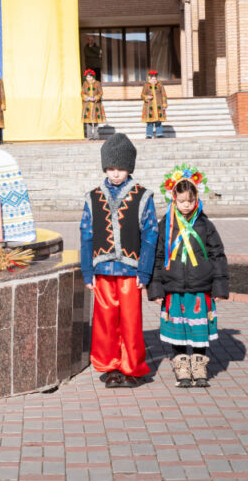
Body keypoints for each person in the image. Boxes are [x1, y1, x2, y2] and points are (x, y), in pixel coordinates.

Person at [80, 133, 158, 388]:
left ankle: (132, 367)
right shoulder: (92, 197)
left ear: (129, 168)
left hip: (130, 271)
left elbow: (150, 236)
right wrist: (87, 272)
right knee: (104, 321)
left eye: (120, 168)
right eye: (111, 168)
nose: (115, 174)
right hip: (102, 270)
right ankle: (110, 365)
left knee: (130, 321)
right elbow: (86, 235)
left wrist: (144, 273)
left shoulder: (143, 196)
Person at [148, 167, 227, 387]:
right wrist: (156, 289)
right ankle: (182, 366)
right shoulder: (165, 226)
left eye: (190, 201)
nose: (186, 205)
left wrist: (219, 287)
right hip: (173, 289)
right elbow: (158, 256)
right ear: (173, 198)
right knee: (179, 331)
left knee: (198, 330)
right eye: (182, 201)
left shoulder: (205, 225)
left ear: (197, 199)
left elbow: (217, 254)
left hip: (200, 289)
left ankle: (199, 365)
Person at [141, 69, 167, 139]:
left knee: (158, 121)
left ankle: (159, 134)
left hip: (159, 105)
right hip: (149, 107)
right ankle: (149, 135)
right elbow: (142, 95)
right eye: (152, 79)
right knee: (149, 122)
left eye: (155, 78)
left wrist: (164, 104)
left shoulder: (160, 85)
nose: (154, 80)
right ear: (150, 78)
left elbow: (164, 95)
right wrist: (147, 97)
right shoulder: (146, 85)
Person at [81, 69, 105, 141]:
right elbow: (82, 93)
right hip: (87, 105)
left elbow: (101, 93)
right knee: (88, 122)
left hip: (95, 105)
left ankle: (96, 136)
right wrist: (87, 98)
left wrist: (95, 98)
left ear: (93, 77)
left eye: (90, 77)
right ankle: (90, 136)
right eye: (87, 77)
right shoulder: (85, 84)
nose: (89, 78)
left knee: (95, 121)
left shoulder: (97, 83)